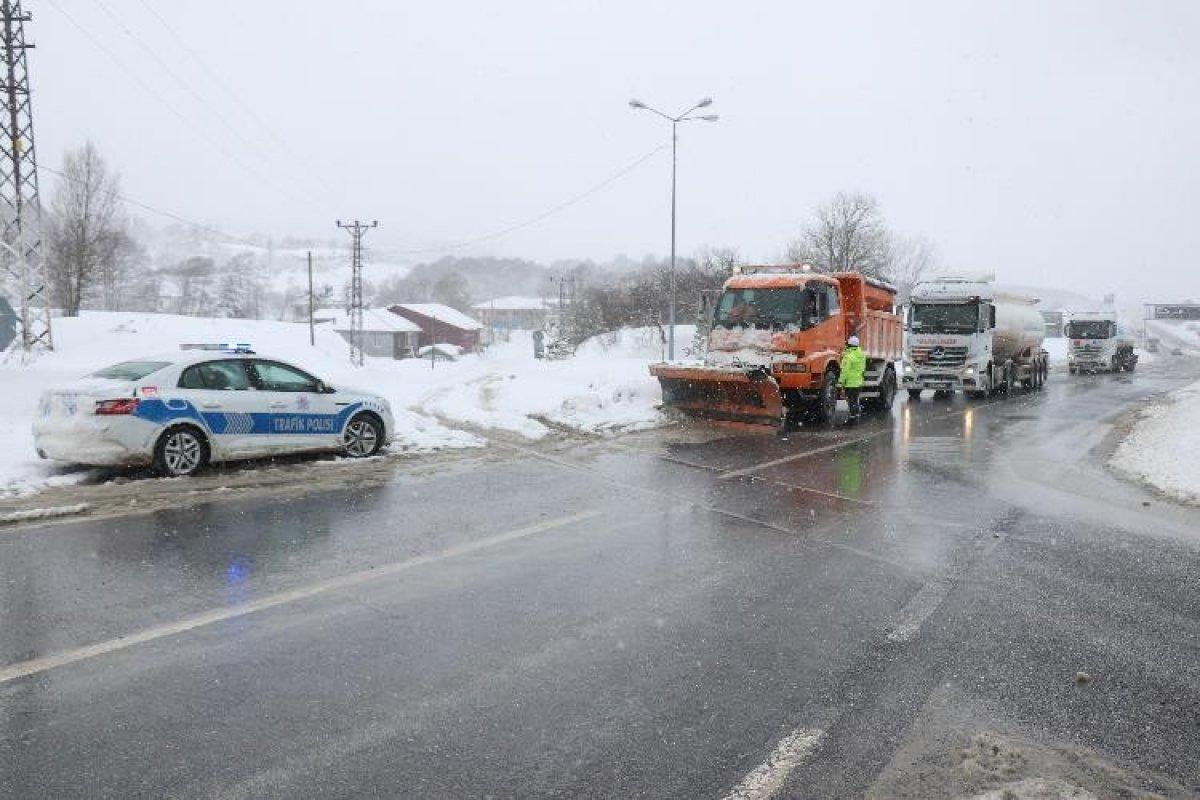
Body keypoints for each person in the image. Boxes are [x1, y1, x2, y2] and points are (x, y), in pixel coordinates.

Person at [839, 334, 867, 423]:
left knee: (850, 400)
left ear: (849, 345)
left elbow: (845, 371)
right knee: (855, 399)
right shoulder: (861, 355)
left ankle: (852, 417)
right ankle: (856, 414)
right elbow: (862, 369)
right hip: (858, 382)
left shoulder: (848, 357)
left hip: (850, 383)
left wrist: (841, 382)